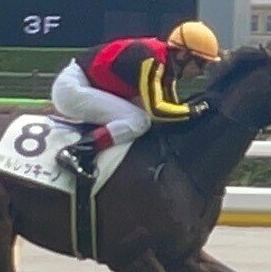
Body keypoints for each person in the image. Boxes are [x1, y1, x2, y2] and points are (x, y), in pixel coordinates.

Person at [51, 21, 221, 177]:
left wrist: (193, 109)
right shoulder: (153, 60)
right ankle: (77, 151)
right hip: (73, 89)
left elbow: (172, 109)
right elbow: (157, 110)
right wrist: (195, 110)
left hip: (87, 85)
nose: (201, 72)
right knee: (139, 120)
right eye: (201, 64)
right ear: (183, 55)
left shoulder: (168, 70)